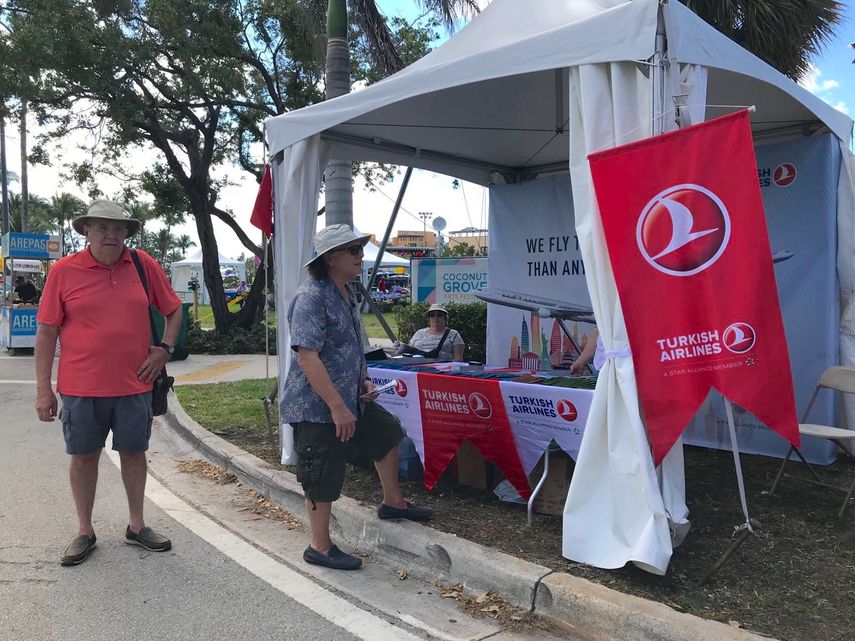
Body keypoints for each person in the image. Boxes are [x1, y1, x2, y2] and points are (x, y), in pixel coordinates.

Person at [34, 200, 183, 566]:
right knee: (83, 457)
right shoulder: (64, 272)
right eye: (102, 227)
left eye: (118, 229)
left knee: (134, 453)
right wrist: (43, 388)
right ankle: (85, 531)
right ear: (86, 231)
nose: (111, 235)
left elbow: (174, 309)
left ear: (127, 234)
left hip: (135, 385)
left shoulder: (143, 265)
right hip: (81, 387)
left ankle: (136, 526)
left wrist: (165, 348)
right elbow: (47, 330)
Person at [280, 223, 432, 571]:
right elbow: (307, 356)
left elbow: (351, 347)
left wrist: (363, 380)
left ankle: (393, 502)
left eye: (359, 248)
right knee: (321, 469)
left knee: (387, 434)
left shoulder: (347, 291)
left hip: (351, 398)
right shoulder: (311, 298)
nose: (361, 255)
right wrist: (337, 406)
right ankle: (319, 545)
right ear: (331, 258)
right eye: (353, 250)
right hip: (317, 406)